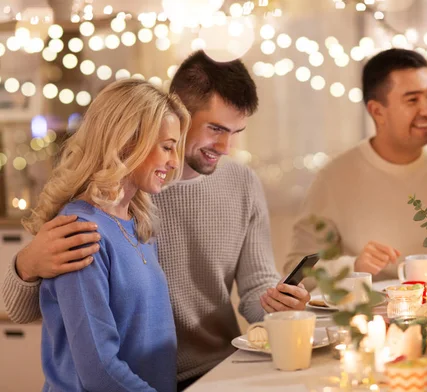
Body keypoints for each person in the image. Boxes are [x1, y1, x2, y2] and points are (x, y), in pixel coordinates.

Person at [2, 51, 310, 390]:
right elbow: (92, 361)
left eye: (236, 131)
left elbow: (256, 286)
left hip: (210, 369)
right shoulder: (101, 214)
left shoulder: (138, 211)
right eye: (216, 129)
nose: (226, 146)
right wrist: (26, 264)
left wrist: (278, 306)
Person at [21, 79, 190, 391]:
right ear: (127, 141)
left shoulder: (138, 223)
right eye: (167, 147)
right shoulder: (80, 230)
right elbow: (99, 371)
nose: (175, 162)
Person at [285, 48, 427, 285]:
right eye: (412, 100)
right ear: (377, 111)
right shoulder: (335, 177)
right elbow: (296, 270)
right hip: (366, 316)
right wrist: (353, 267)